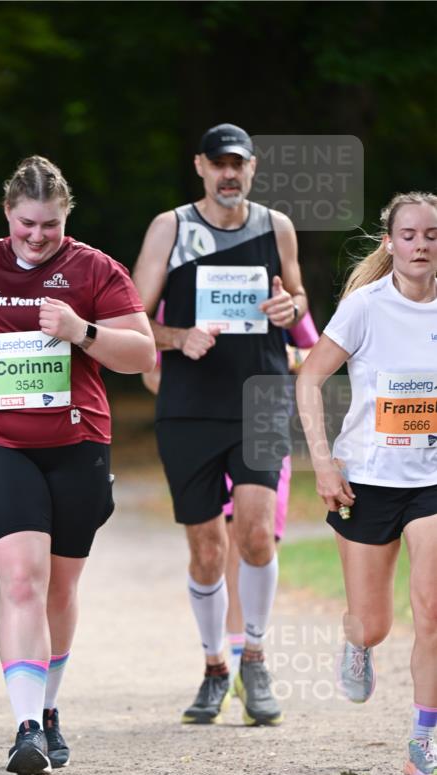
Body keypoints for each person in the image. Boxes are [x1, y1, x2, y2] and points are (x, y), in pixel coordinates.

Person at [0, 155, 154, 775]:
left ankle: (49, 710)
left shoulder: (95, 269)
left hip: (77, 440)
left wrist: (83, 331)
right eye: (26, 224)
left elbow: (141, 352)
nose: (36, 237)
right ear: (7, 214)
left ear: (65, 218)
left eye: (49, 226)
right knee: (21, 577)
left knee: (59, 584)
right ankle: (25, 726)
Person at [133, 123, 307, 726]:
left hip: (260, 396)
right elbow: (130, 316)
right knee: (207, 550)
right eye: (218, 164)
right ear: (200, 167)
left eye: (239, 164)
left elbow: (300, 298)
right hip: (188, 405)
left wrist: (293, 307)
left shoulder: (275, 226)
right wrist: (178, 336)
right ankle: (213, 666)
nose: (229, 174)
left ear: (252, 169)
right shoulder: (171, 227)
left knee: (256, 534)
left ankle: (253, 657)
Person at [296, 191, 437, 775]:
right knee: (373, 621)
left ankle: (423, 738)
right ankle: (357, 642)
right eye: (409, 235)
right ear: (390, 241)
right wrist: (324, 465)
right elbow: (308, 381)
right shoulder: (364, 307)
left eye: (431, 235)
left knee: (432, 609)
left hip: (432, 478)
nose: (421, 245)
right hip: (366, 481)